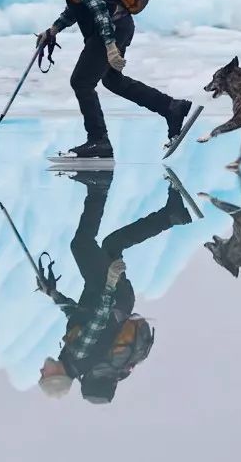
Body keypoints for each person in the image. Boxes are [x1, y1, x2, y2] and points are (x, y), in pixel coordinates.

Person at [35, 0, 192, 158]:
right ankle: (171, 107)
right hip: (121, 25)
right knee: (112, 81)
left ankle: (99, 141)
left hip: (110, 29)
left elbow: (99, 11)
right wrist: (54, 29)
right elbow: (78, 6)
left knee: (81, 82)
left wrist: (110, 46)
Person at [38, 169, 192, 403]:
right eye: (44, 377)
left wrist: (53, 294)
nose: (41, 372)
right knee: (81, 244)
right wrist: (110, 282)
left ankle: (172, 215)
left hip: (117, 299)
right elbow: (99, 319)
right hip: (109, 295)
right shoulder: (78, 355)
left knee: (113, 244)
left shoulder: (75, 358)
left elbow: (80, 315)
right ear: (57, 376)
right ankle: (98, 186)